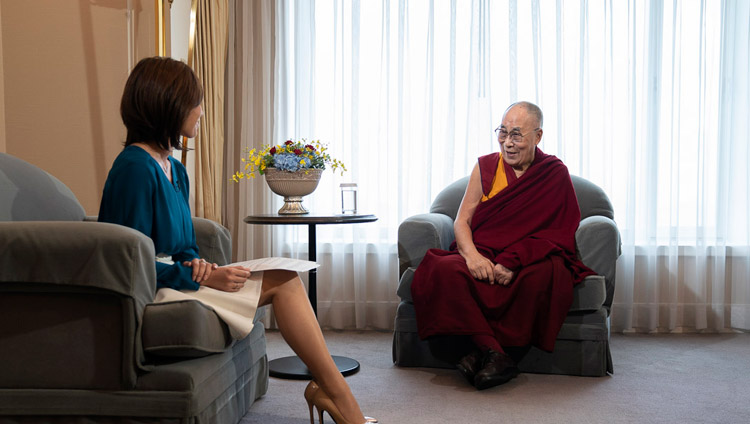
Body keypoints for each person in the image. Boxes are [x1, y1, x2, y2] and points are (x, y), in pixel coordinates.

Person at [99, 56, 376, 424]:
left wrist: (202, 266)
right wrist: (198, 277)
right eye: (194, 102)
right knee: (285, 283)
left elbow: (183, 248)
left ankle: (334, 395)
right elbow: (128, 263)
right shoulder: (134, 168)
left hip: (178, 280)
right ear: (167, 103)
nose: (200, 111)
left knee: (284, 276)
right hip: (155, 291)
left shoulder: (174, 167)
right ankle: (342, 402)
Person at [410, 101, 595, 390]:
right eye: (503, 132)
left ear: (538, 136)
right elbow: (462, 222)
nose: (507, 143)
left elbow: (560, 231)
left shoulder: (554, 173)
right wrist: (471, 257)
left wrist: (515, 260)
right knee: (441, 269)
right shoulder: (485, 166)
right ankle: (496, 354)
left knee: (548, 274)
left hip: (527, 255)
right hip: (482, 251)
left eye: (517, 135)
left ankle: (478, 353)